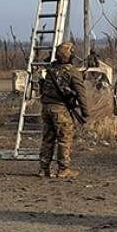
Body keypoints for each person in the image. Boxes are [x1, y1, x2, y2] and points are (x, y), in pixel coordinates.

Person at [37, 41, 90, 179]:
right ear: (70, 56)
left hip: (46, 108)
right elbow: (80, 93)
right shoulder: (72, 72)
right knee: (64, 139)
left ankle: (44, 169)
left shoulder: (51, 69)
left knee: (47, 139)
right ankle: (63, 169)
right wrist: (85, 112)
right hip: (60, 109)